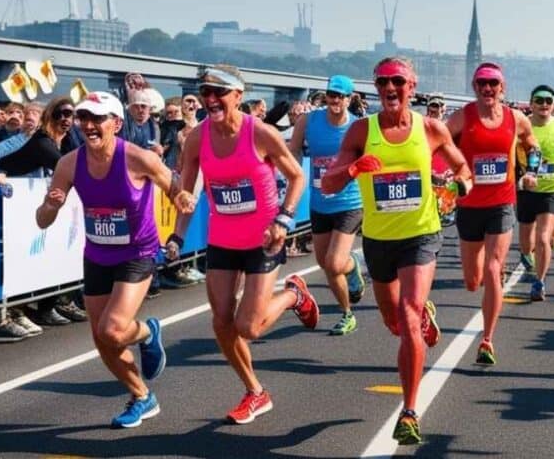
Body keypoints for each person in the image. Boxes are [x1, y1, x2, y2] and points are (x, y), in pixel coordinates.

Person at [321, 56, 470, 445]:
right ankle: (424, 316)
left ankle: (409, 411)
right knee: (392, 321)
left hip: (421, 235)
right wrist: (354, 170)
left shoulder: (431, 129)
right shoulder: (360, 131)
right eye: (383, 82)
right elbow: (327, 186)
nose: (390, 88)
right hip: (379, 239)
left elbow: (461, 166)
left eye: (398, 82)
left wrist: (461, 185)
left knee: (407, 316)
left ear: (412, 87)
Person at [35, 91, 195, 428]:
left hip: (136, 252)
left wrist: (180, 199)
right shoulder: (68, 164)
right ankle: (141, 396)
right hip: (96, 254)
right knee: (101, 337)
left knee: (113, 328)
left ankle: (148, 334)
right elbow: (42, 220)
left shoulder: (138, 158)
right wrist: (51, 205)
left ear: (116, 124)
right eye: (84, 118)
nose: (89, 126)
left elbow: (175, 188)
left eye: (97, 119)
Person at [169, 65, 317, 425]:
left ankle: (293, 296)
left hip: (263, 239)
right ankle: (255, 391)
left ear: (238, 96)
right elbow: (188, 195)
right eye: (206, 92)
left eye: (219, 93)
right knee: (222, 323)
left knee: (249, 327)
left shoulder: (260, 133)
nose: (211, 99)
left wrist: (284, 218)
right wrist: (176, 235)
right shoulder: (196, 139)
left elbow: (297, 176)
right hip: (222, 240)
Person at [445, 63, 538, 365]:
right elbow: (437, 143)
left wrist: (531, 170)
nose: (488, 88)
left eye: (493, 83)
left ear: (503, 88)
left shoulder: (516, 118)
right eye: (482, 83)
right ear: (474, 87)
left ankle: (487, 339)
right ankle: (489, 278)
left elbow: (532, 145)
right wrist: (450, 174)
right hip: (470, 205)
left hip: (502, 202)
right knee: (473, 280)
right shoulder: (463, 117)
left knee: (493, 268)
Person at [287, 75, 366, 336]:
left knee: (333, 263)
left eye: (340, 96)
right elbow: (295, 150)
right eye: (331, 95)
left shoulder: (358, 127)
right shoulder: (308, 121)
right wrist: (293, 171)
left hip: (350, 202)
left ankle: (347, 313)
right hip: (320, 202)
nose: (335, 100)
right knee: (324, 262)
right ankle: (352, 265)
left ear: (349, 98)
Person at [517, 86, 554, 301]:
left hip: (551, 190)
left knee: (544, 238)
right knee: (527, 241)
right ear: (531, 103)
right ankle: (526, 254)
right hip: (525, 190)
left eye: (548, 101)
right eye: (539, 100)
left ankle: (539, 282)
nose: (544, 104)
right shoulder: (520, 126)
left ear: (553, 104)